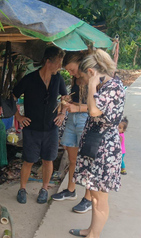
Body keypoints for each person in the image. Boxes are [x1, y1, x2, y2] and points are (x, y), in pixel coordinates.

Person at [69, 49, 125, 238]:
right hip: (96, 145)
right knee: (93, 193)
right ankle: (91, 230)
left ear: (92, 72)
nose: (81, 79)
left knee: (100, 197)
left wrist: (92, 84)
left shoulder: (112, 87)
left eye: (84, 76)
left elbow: (93, 111)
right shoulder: (108, 85)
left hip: (104, 149)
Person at [13, 46, 68, 204]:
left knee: (48, 160)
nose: (60, 66)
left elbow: (65, 97)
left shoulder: (58, 79)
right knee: (28, 160)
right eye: (58, 62)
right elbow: (12, 97)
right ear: (48, 61)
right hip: (31, 129)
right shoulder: (30, 79)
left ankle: (44, 189)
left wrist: (63, 113)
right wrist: (18, 116)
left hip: (51, 128)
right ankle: (22, 189)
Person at [51, 51, 93, 213]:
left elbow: (97, 108)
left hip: (86, 119)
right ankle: (71, 190)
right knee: (72, 158)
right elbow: (77, 99)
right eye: (68, 71)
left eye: (71, 69)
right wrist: (69, 101)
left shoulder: (93, 78)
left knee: (88, 161)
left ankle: (88, 198)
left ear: (81, 63)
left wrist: (77, 107)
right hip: (73, 118)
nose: (70, 73)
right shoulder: (76, 78)